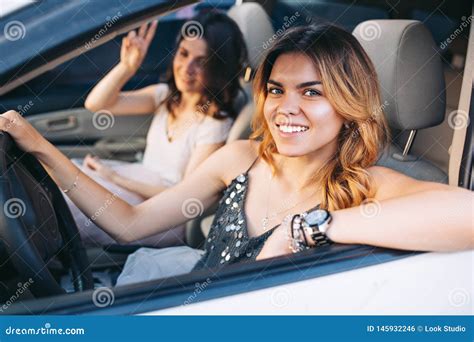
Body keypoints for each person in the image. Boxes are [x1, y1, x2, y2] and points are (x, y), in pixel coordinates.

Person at [1, 24, 472, 284]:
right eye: (275, 89)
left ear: (348, 104)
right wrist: (40, 148)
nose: (286, 108)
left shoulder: (362, 183)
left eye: (312, 92)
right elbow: (128, 223)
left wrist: (311, 227)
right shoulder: (241, 157)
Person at [66, 11, 248, 247]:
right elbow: (96, 104)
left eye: (201, 62)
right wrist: (127, 67)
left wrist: (114, 177)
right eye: (183, 54)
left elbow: (185, 197)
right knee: (65, 181)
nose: (186, 68)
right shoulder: (164, 96)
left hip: (163, 214)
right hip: (137, 185)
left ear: (219, 68)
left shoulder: (214, 125)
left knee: (70, 204)